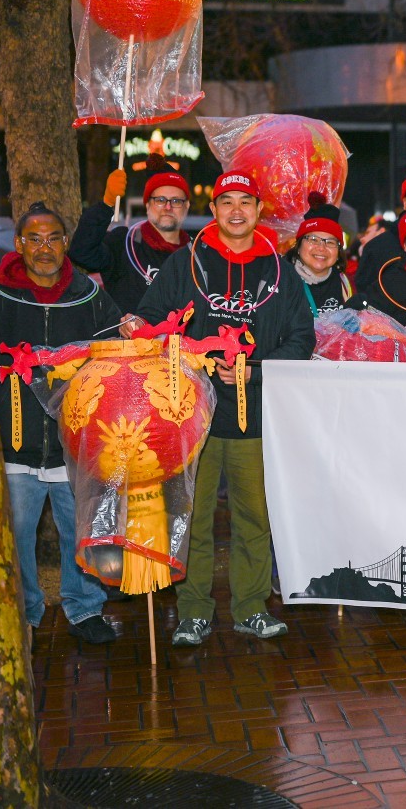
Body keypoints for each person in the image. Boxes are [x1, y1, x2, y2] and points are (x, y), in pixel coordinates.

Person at [126, 172, 316, 646]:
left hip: (257, 417)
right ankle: (194, 611)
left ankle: (251, 606)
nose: (236, 211)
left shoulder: (278, 270)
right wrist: (135, 326)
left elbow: (302, 339)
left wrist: (256, 371)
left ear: (257, 210)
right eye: (225, 201)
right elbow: (149, 321)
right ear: (213, 210)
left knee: (256, 516)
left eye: (245, 203)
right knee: (193, 517)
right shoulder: (184, 264)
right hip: (191, 417)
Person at [0, 202, 125, 644]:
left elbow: (119, 352)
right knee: (17, 536)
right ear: (19, 244)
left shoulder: (92, 297)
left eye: (54, 238)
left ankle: (84, 607)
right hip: (13, 442)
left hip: (74, 444)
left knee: (80, 532)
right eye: (35, 239)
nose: (45, 248)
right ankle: (24, 610)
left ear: (65, 243)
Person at [68, 158, 192, 314]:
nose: (168, 207)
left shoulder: (196, 254)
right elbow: (81, 252)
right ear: (147, 204)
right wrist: (107, 203)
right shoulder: (124, 244)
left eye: (176, 200)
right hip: (128, 338)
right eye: (160, 200)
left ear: (186, 206)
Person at [290, 195, 351, 317]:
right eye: (313, 239)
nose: (321, 248)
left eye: (330, 242)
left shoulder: (342, 281)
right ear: (299, 246)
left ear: (338, 252)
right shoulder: (282, 280)